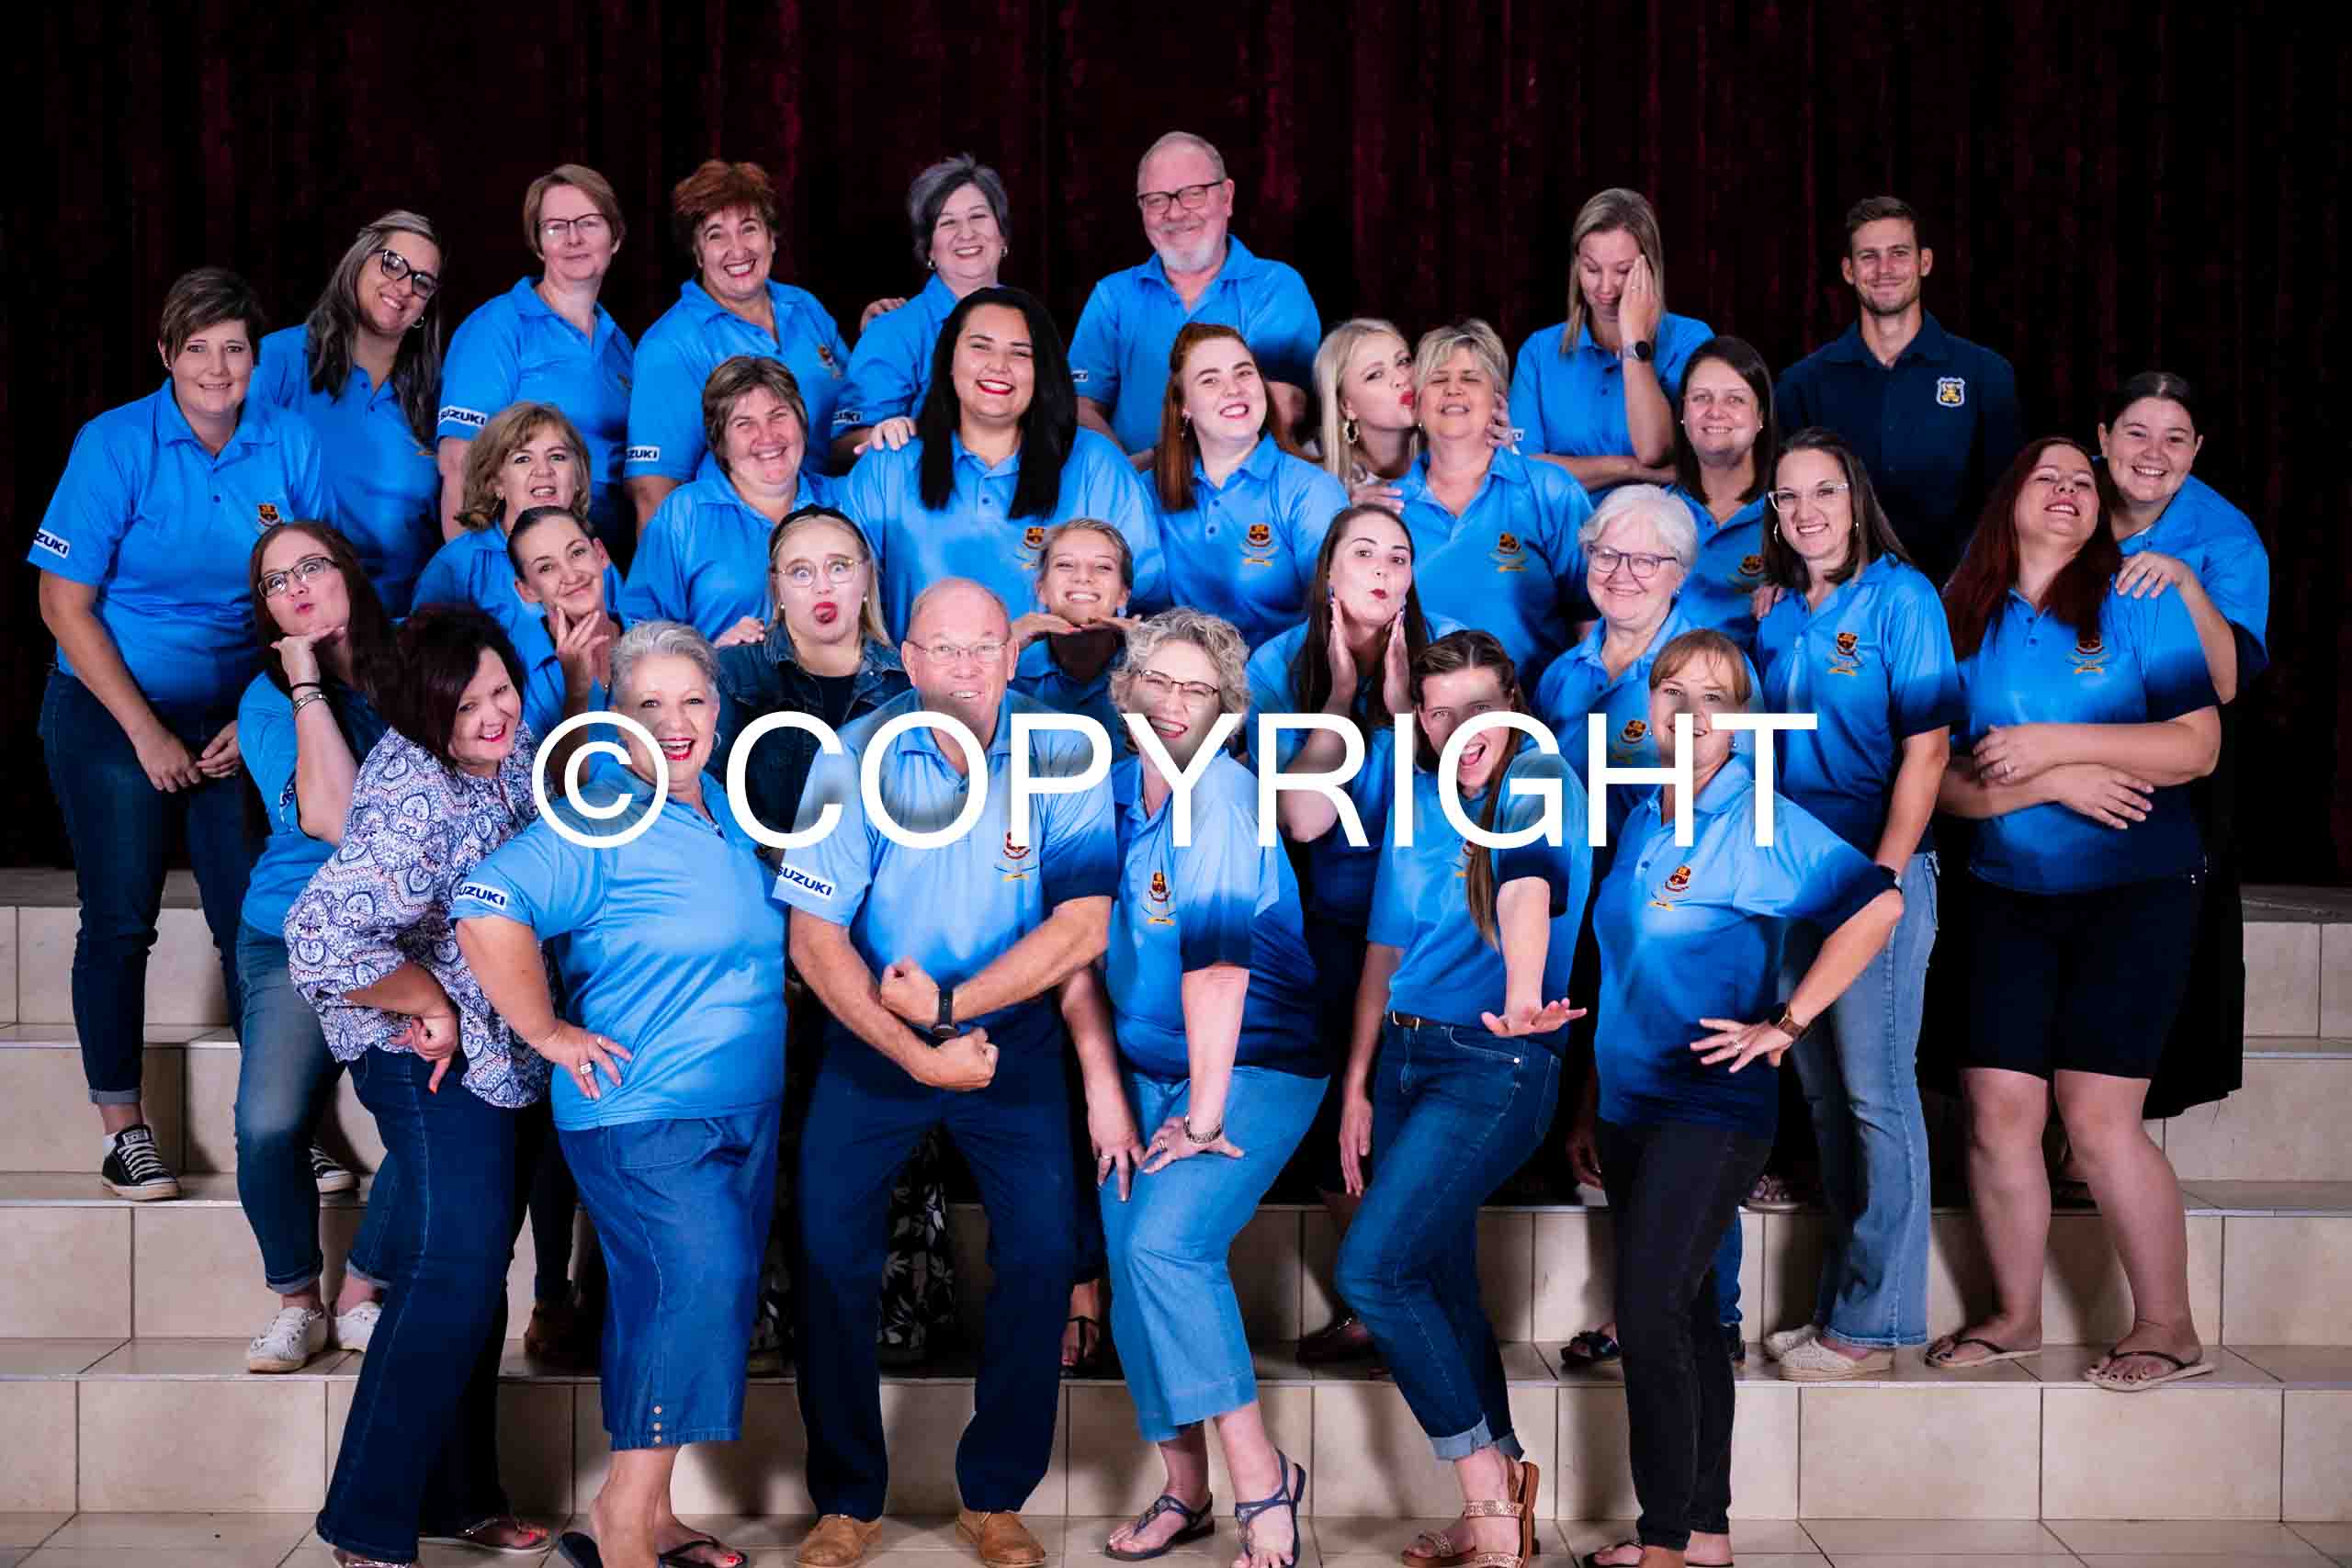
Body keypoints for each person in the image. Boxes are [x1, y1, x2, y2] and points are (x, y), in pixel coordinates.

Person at [774, 579, 1116, 1568]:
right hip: (876, 1033)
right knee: (827, 1248)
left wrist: (953, 1011)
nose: (965, 668)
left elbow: (1082, 927)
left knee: (1044, 1253)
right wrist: (918, 1043)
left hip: (1008, 1034)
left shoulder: (1064, 748)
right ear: (910, 660)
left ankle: (995, 1496)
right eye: (943, 649)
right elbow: (813, 938)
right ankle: (846, 1500)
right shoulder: (849, 755)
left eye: (983, 648)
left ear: (1011, 655)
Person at [1571, 627, 1903, 1568]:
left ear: (1743, 720)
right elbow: (1628, 969)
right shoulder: (1645, 812)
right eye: (1672, 691)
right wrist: (1591, 1097)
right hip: (1630, 1104)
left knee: (1647, 1311)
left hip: (1711, 1108)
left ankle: (1663, 1546)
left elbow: (1877, 904)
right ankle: (1705, 1532)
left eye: (1714, 698)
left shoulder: (1757, 818)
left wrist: (1787, 1024)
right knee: (1682, 1316)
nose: (1689, 712)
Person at [455, 621, 783, 1568]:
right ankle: (620, 1523)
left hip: (739, 1106)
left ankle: (649, 1514)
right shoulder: (602, 812)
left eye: (693, 700)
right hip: (643, 1111)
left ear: (718, 711)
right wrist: (547, 1032)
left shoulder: (722, 806)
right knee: (696, 1283)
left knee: (677, 1301)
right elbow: (486, 904)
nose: (674, 722)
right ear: (615, 716)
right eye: (649, 704)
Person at [1926, 439, 2222, 1392]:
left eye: (2082, 482)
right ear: (2008, 499)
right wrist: (2049, 784)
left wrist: (2055, 744)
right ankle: (2014, 1314)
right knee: (1996, 1108)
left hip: (2133, 893)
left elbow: (2195, 747)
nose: (2067, 491)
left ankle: (2169, 1326)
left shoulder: (2139, 598)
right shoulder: (1957, 611)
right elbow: (1941, 782)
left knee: (2096, 1120)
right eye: (2047, 478)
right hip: (2004, 894)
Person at [1290, 630, 1589, 1568]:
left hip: (1493, 1061)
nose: (1460, 728)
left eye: (1479, 708)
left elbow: (1526, 885)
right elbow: (1385, 949)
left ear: (1514, 706)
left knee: (1375, 1270)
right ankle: (1502, 1483)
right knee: (1442, 1278)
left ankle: (1486, 1492)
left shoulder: (1538, 779)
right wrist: (1356, 1084)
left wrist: (1522, 994)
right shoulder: (1419, 799)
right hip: (1405, 1059)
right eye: (1439, 710)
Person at [31, 265, 328, 1201]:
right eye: (197, 348)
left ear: (257, 359)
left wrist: (262, 708)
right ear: (166, 353)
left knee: (258, 918)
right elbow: (62, 603)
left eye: (235, 348)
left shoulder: (289, 441)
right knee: (122, 916)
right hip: (110, 704)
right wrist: (146, 735)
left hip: (238, 708)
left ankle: (280, 1123)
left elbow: (312, 594)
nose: (217, 367)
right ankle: (124, 1129)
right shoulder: (116, 443)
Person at [285, 604, 553, 1567]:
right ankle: (364, 1524)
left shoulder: (512, 753)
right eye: (467, 705)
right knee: (454, 1268)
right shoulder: (413, 793)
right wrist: (427, 998)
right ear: (426, 710)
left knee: (476, 1273)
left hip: (501, 1047)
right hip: (423, 1052)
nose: (493, 714)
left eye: (501, 690)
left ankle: (460, 1497)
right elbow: (318, 937)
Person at [1059, 609, 1317, 1568]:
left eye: (1197, 689)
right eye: (1158, 681)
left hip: (1255, 1062)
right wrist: (1105, 1090)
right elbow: (1073, 953)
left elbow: (1216, 969)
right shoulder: (1098, 794)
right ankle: (1185, 1488)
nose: (1173, 702)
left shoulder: (1224, 792)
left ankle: (1264, 1481)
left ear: (1226, 713)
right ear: (1124, 690)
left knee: (1166, 1244)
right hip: (1140, 1067)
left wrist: (1203, 1119)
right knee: (1130, 1260)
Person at [709, 505, 962, 1373]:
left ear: (867, 579)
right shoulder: (731, 676)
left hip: (881, 937)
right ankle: (763, 1312)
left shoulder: (908, 680)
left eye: (839, 566)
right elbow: (695, 805)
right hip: (760, 940)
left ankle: (900, 1310)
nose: (822, 586)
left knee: (894, 1115)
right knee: (767, 1123)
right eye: (801, 569)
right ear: (774, 588)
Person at [1747, 431, 1959, 1381]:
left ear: (1855, 496)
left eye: (1824, 491)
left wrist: (1884, 875)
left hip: (1874, 873)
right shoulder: (1780, 611)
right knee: (1826, 1098)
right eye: (1788, 497)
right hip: (1794, 876)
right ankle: (1841, 1307)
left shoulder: (1902, 600)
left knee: (1877, 1095)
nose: (1806, 512)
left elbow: (1928, 749)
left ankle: (1876, 1323)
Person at [1533, 488, 1757, 1378]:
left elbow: (1738, 798)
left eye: (1647, 560)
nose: (1622, 574)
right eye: (1606, 555)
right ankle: (1643, 1304)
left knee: (1683, 1119)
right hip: (1584, 912)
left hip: (1676, 918)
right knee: (1621, 1116)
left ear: (1680, 573)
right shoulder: (1563, 672)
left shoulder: (1706, 667)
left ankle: (1711, 1315)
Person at [1251, 505, 1446, 1368]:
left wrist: (1404, 710)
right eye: (1362, 552)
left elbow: (1452, 806)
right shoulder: (1276, 666)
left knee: (1414, 1114)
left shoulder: (1442, 658)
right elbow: (1303, 818)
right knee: (1338, 1110)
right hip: (1326, 924)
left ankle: (1405, 1291)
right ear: (1329, 571)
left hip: (1430, 922)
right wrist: (1336, 699)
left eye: (1398, 556)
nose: (1382, 569)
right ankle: (1376, 1297)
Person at [234, 523, 398, 1373]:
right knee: (266, 1126)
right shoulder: (266, 699)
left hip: (399, 933)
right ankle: (298, 1302)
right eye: (275, 581)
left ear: (348, 572)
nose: (296, 586)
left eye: (311, 567)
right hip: (292, 932)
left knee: (441, 1119)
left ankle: (362, 1287)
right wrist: (305, 681)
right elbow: (335, 818)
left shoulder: (408, 666)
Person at [2091, 371, 2271, 1133]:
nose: (2153, 453)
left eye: (2174, 438)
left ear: (2197, 450)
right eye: (2136, 432)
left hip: (2168, 767)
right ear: (2103, 438)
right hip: (2052, 754)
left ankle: (2105, 1136)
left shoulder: (2225, 536)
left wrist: (2187, 586)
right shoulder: (2060, 493)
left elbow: (2227, 683)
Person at [842, 285, 1161, 635]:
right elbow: (846, 597)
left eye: (1020, 353)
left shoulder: (1096, 465)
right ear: (948, 361)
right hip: (917, 671)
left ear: (1042, 371)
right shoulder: (889, 466)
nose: (998, 366)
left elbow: (1144, 601)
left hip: (1065, 673)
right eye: (980, 347)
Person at [1775, 196, 2025, 583]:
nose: (1884, 269)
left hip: (1960, 596)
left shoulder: (1986, 375)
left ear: (1924, 262)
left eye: (1899, 253)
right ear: (1849, 270)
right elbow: (1787, 500)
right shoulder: (1802, 384)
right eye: (1869, 257)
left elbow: (2007, 502)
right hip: (1843, 596)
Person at [627, 159, 852, 525]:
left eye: (749, 228)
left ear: (772, 238)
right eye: (716, 235)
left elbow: (853, 412)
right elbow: (653, 493)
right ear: (697, 252)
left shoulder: (804, 307)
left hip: (830, 523)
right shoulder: (670, 345)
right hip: (737, 536)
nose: (738, 249)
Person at [1070, 131, 1320, 457]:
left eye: (1193, 194)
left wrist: (1160, 470)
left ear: (1227, 197)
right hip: (1129, 487)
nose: (1174, 213)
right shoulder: (1111, 297)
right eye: (1156, 200)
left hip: (1244, 486)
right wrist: (1123, 479)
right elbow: (1082, 406)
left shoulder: (1275, 287)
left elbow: (1284, 405)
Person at [436, 164, 636, 556]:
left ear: (615, 238)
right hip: (521, 561)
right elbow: (458, 464)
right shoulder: (496, 327)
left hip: (605, 560)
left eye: (589, 223)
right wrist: (476, 572)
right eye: (556, 227)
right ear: (539, 243)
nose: (574, 238)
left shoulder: (620, 345)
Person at [254, 211, 446, 615]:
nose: (403, 287)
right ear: (358, 262)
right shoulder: (279, 360)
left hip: (401, 617)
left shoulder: (434, 394)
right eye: (392, 263)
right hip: (295, 606)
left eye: (422, 282)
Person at [1394, 321, 1594, 690]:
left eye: (1470, 378)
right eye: (1438, 379)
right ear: (1417, 404)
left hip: (1536, 712)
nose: (1453, 389)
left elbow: (1591, 617)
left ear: (1499, 400)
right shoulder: (1388, 507)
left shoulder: (1550, 489)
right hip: (1423, 713)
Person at [413, 401, 626, 723]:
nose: (544, 471)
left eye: (557, 456)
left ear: (578, 478)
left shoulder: (595, 563)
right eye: (523, 459)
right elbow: (427, 683)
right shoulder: (455, 568)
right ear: (495, 483)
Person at [1149, 322, 1348, 649]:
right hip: (1177, 674)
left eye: (1243, 373)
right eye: (1210, 380)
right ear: (1183, 405)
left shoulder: (1311, 490)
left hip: (1279, 676)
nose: (1233, 389)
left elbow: (1336, 617)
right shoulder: (1148, 490)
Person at [624, 356, 840, 645]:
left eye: (778, 415)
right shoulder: (685, 514)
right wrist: (710, 655)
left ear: (801, 422)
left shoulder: (844, 500)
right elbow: (642, 633)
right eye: (744, 424)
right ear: (720, 443)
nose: (767, 436)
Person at [1510, 188, 1712, 493]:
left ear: (1651, 268)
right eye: (1592, 269)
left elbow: (1653, 451)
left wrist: (1635, 341)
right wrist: (1629, 468)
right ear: (1577, 266)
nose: (1606, 289)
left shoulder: (1691, 341)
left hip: (1658, 521)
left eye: (1623, 271)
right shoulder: (1539, 352)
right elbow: (1527, 472)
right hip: (1566, 522)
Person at [831, 154, 1013, 468]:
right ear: (929, 248)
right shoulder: (892, 331)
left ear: (1002, 234)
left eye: (978, 216)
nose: (966, 233)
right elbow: (843, 447)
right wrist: (890, 436)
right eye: (948, 222)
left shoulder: (1031, 320)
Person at [1667, 336, 1778, 653]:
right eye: (1701, 398)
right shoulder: (1656, 512)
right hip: (1667, 680)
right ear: (1683, 412)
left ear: (1761, 415)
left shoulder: (1793, 511)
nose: (1715, 412)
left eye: (1735, 400)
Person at [1011, 519, 1136, 742]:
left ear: (1123, 595)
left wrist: (1156, 652)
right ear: (1041, 590)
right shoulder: (1009, 667)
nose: (1083, 577)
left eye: (1103, 567)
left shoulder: (1148, 665)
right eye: (1065, 565)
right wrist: (1001, 646)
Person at [507, 505, 627, 736]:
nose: (571, 576)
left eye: (577, 552)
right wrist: (576, 692)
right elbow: (552, 761)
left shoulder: (656, 642)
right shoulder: (516, 674)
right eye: (546, 568)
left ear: (601, 554)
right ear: (526, 590)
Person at [1310, 318, 1420, 502]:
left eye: (1404, 361)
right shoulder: (1312, 473)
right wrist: (1343, 512)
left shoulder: (1452, 439)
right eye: (1375, 375)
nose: (1402, 379)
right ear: (1347, 406)